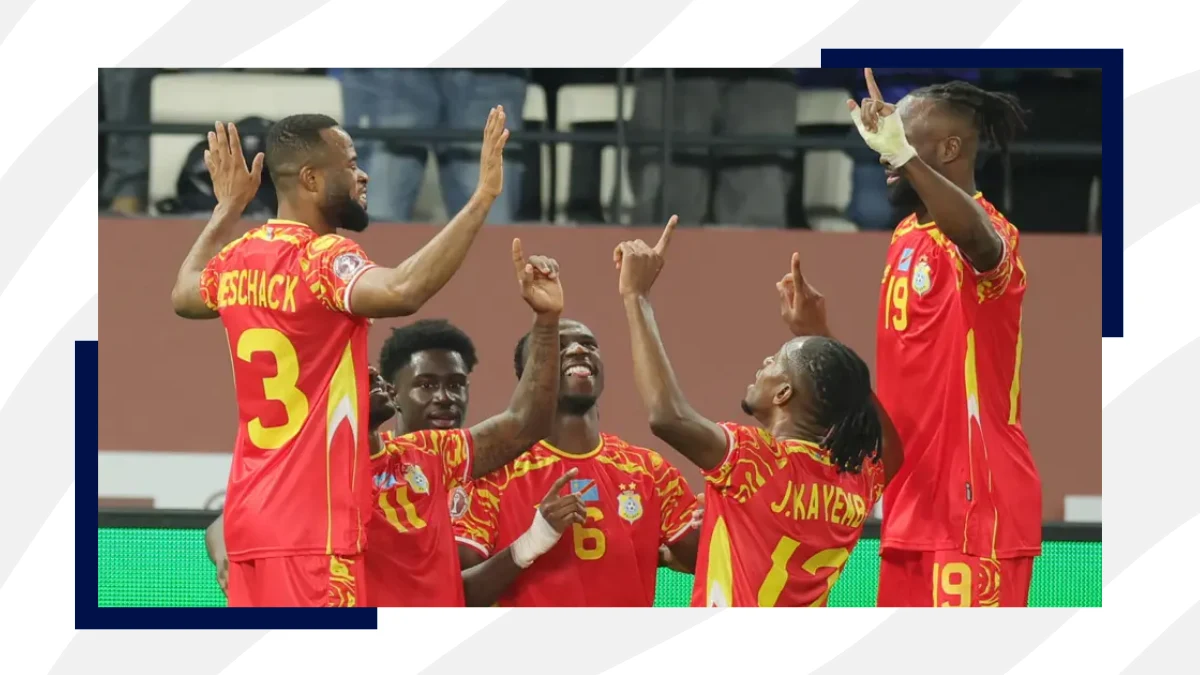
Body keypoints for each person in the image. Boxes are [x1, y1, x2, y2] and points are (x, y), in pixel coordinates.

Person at [170, 107, 511, 607]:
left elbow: (182, 294)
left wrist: (227, 209)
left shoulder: (239, 257)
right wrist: (482, 198)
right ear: (310, 178)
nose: (362, 173)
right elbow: (404, 289)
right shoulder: (323, 258)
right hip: (315, 533)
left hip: (249, 525)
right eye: (350, 162)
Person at [785, 69, 1040, 607]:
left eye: (901, 134)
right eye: (886, 136)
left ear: (949, 148)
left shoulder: (991, 236)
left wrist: (905, 158)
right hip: (910, 508)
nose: (884, 149)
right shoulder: (903, 238)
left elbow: (977, 237)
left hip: (974, 509)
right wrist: (820, 337)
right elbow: (901, 399)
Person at [612, 218, 892, 607]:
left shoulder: (753, 459)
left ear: (783, 392)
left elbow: (667, 415)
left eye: (776, 360)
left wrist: (635, 296)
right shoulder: (856, 483)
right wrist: (820, 335)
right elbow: (891, 444)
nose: (764, 361)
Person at [365, 256, 590, 607]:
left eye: (456, 385)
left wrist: (546, 321)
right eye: (426, 385)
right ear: (395, 390)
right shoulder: (323, 473)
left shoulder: (435, 456)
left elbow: (525, 424)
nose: (444, 398)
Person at [453, 318, 701, 607]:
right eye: (559, 347)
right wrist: (529, 544)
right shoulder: (493, 476)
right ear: (528, 379)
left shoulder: (650, 470)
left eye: (588, 345)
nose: (579, 351)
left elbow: (708, 561)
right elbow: (457, 595)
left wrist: (721, 519)